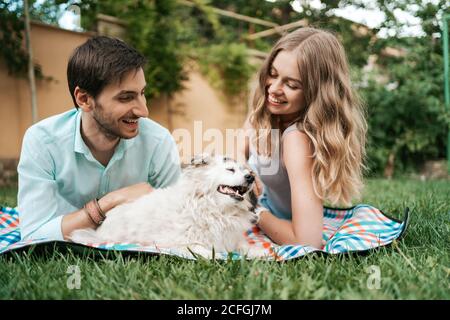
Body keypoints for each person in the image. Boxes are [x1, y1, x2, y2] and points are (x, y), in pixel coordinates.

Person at [17, 36, 181, 241]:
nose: (144, 110)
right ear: (84, 99)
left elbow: (179, 219)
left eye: (142, 93)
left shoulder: (158, 141)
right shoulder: (42, 141)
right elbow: (33, 235)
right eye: (126, 97)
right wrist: (109, 202)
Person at [239, 27, 367, 249]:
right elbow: (243, 133)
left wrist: (252, 209)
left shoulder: (296, 139)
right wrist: (240, 163)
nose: (274, 88)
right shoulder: (269, 112)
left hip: (263, 211)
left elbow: (307, 241)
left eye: (291, 84)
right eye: (273, 73)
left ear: (317, 92)